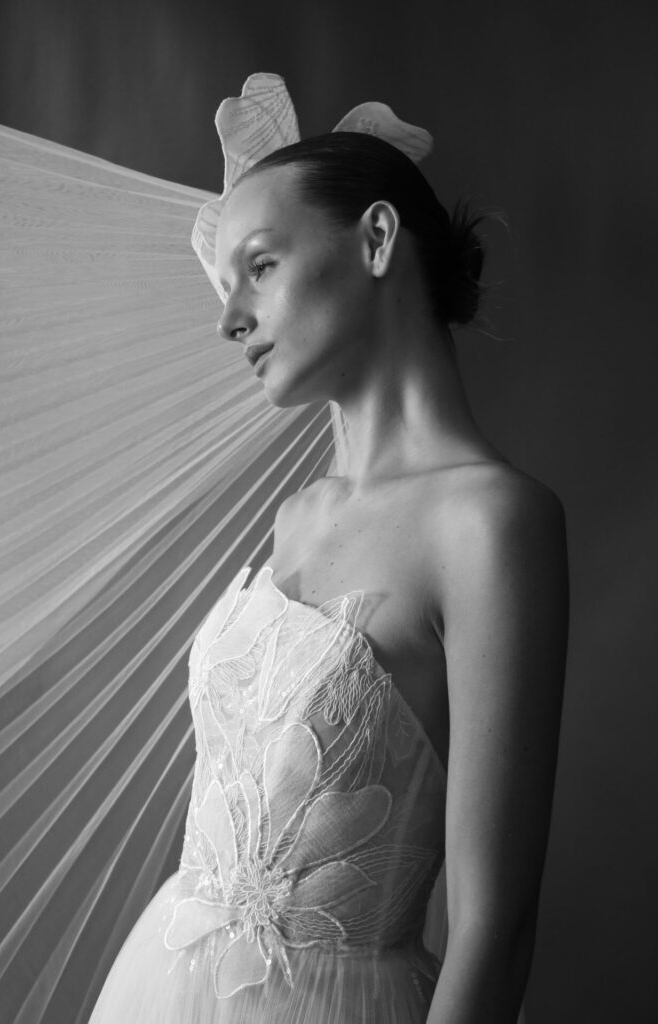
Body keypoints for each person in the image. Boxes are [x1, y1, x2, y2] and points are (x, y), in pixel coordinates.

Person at [88, 76, 569, 1024]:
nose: (229, 321)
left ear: (376, 240)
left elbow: (493, 924)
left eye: (258, 268)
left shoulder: (492, 523)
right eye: (224, 287)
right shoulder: (296, 516)